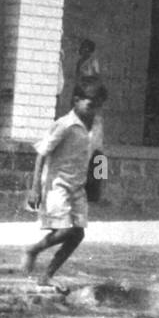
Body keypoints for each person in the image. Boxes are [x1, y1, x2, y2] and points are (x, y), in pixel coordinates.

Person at [24, 89, 97, 289]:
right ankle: (34, 249)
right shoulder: (64, 124)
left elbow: (99, 156)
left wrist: (99, 181)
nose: (92, 111)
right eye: (89, 105)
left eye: (96, 107)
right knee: (65, 229)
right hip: (58, 186)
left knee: (78, 234)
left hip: (78, 187)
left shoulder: (93, 127)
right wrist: (35, 188)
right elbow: (41, 154)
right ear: (76, 100)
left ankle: (47, 275)